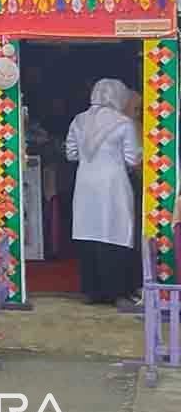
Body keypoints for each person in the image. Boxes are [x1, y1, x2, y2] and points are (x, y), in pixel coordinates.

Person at [66, 78, 142, 305]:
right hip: (113, 184)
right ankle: (118, 292)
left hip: (85, 183)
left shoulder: (78, 120)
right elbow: (132, 158)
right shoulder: (123, 123)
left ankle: (93, 291)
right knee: (116, 231)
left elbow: (71, 153)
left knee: (89, 231)